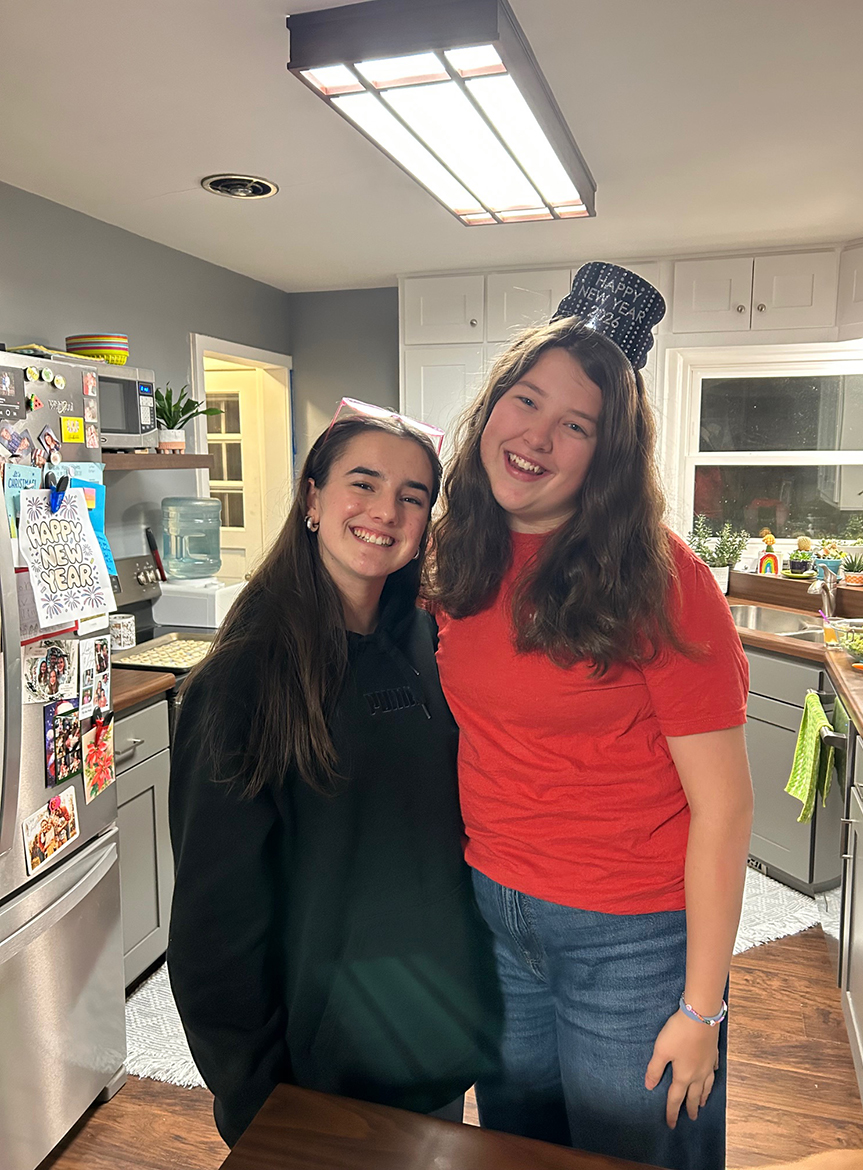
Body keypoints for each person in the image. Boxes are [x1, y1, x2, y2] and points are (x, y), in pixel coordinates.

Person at [428, 262, 753, 1170]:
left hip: (633, 937)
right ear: (492, 406)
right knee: (520, 1145)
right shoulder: (459, 553)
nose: (537, 437)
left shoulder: (664, 581)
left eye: (578, 425)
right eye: (526, 401)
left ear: (607, 456)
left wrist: (701, 1008)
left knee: (636, 1154)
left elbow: (725, 809)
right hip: (493, 912)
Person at [167, 409, 500, 1148]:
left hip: (433, 1044)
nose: (386, 511)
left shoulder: (432, 646)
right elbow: (214, 926)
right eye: (364, 483)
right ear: (313, 499)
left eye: (413, 496)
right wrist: (257, 1097)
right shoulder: (241, 682)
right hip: (314, 1075)